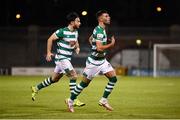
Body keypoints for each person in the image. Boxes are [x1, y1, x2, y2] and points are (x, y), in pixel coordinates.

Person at [65, 10, 118, 112]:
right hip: (94, 63)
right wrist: (110, 45)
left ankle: (103, 100)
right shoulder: (99, 31)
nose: (109, 17)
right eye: (106, 16)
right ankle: (70, 100)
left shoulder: (101, 30)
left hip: (102, 61)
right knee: (83, 84)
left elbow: (90, 39)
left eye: (108, 16)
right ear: (100, 19)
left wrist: (102, 42)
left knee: (113, 79)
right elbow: (99, 48)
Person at [31, 12, 85, 107]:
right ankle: (73, 99)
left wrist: (77, 48)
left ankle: (36, 88)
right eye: (78, 21)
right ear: (72, 22)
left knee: (54, 79)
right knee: (73, 76)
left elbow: (76, 42)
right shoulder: (62, 31)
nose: (80, 23)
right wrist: (48, 52)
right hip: (61, 58)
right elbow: (50, 39)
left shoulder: (76, 32)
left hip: (66, 59)